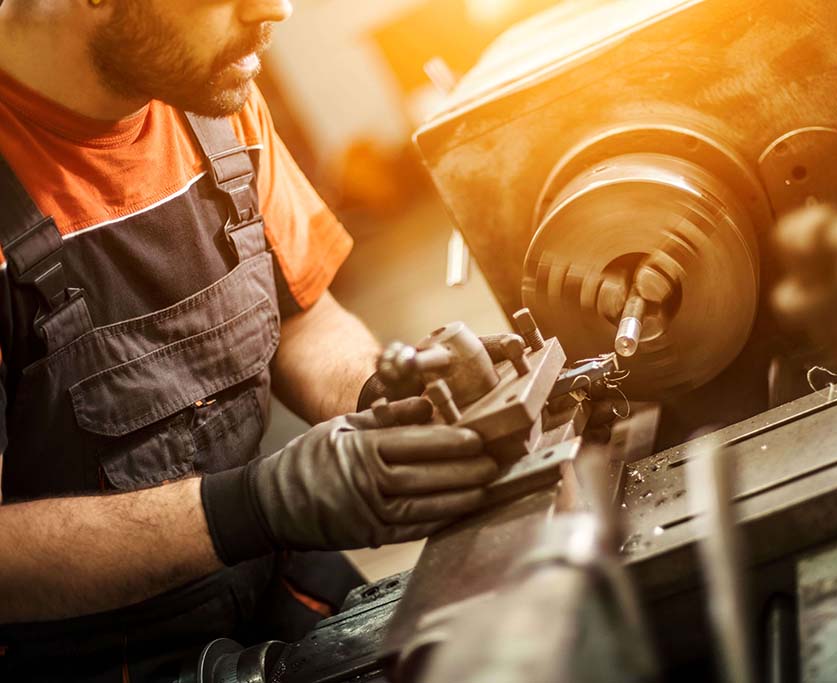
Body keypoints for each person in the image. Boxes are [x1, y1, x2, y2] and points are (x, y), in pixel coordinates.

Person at [0, 1, 500, 680]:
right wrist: (254, 504)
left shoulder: (206, 87)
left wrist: (386, 389)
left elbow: (302, 315)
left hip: (282, 581)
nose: (274, 9)